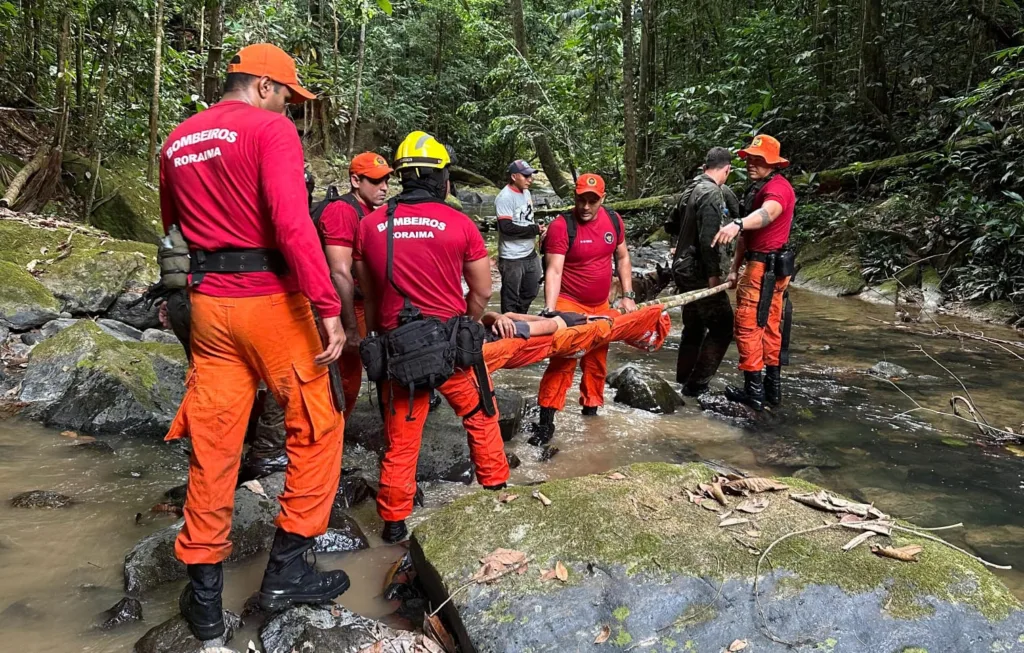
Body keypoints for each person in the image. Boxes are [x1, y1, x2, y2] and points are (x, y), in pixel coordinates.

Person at [159, 43, 350, 642]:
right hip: (270, 301)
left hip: (210, 305)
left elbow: (172, 226)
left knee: (215, 443)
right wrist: (328, 307)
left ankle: (206, 598)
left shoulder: (177, 140)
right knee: (318, 427)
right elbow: (293, 224)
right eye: (290, 97)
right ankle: (286, 572)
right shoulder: (269, 130)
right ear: (265, 86)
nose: (291, 109)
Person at [353, 131, 509, 544]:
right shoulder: (459, 223)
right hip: (452, 349)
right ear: (442, 178)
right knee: (481, 416)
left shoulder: (370, 225)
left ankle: (393, 524)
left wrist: (378, 334)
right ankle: (496, 492)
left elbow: (369, 292)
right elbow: (481, 291)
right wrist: (468, 324)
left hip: (399, 351)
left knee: (402, 440)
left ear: (402, 176)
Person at [531, 173, 637, 445]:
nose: (586, 207)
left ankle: (591, 413)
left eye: (593, 201)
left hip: (601, 305)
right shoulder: (561, 226)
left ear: (603, 198)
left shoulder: (614, 220)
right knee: (563, 363)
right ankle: (546, 423)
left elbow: (623, 257)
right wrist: (551, 310)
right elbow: (554, 270)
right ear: (574, 198)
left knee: (597, 362)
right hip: (569, 304)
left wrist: (628, 296)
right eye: (581, 200)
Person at [711, 134, 797, 411]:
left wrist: (738, 222)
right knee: (770, 326)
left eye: (759, 160)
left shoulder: (778, 189)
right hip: (764, 266)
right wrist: (735, 270)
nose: (751, 164)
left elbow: (769, 213)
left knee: (749, 326)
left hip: (765, 269)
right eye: (749, 158)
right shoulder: (758, 188)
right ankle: (771, 391)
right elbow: (747, 237)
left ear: (773, 164)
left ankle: (755, 392)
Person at [318, 152, 393, 417]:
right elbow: (339, 272)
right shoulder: (342, 211)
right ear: (355, 180)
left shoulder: (371, 212)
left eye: (386, 180)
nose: (384, 187)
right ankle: (331, 432)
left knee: (352, 374)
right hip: (337, 307)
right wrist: (349, 326)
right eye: (375, 181)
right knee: (345, 376)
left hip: (361, 303)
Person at [666, 147, 736, 397]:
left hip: (682, 267)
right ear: (727, 169)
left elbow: (671, 223)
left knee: (693, 326)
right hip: (697, 269)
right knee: (723, 327)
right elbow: (711, 239)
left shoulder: (691, 187)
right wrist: (714, 275)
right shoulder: (713, 193)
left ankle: (682, 380)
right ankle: (696, 387)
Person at [495, 159, 544, 313]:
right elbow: (506, 227)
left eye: (531, 176)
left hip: (529, 253)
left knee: (531, 290)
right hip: (511, 257)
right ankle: (507, 326)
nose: (530, 179)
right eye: (526, 176)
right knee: (510, 296)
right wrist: (534, 230)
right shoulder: (505, 197)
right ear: (514, 176)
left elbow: (526, 218)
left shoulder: (526, 192)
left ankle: (520, 317)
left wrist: (539, 231)